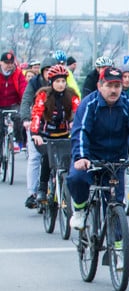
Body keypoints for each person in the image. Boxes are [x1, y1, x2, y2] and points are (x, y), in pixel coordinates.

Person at [67, 67, 129, 229]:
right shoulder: (89, 104)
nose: (113, 90)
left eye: (117, 86)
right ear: (100, 86)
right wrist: (81, 156)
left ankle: (118, 247)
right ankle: (79, 209)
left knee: (115, 205)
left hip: (115, 159)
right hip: (90, 157)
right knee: (76, 178)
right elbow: (80, 131)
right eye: (109, 85)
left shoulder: (128, 104)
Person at [30, 64, 80, 204]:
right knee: (47, 158)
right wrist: (35, 133)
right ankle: (42, 188)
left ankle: (69, 189)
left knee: (70, 160)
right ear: (51, 82)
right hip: (45, 135)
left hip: (64, 134)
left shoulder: (72, 95)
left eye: (63, 81)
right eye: (57, 81)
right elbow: (36, 114)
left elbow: (79, 113)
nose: (60, 84)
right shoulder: (43, 95)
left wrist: (75, 124)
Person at [21, 57, 56, 209]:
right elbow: (26, 100)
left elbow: (73, 105)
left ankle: (62, 191)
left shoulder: (63, 85)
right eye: (47, 70)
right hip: (37, 123)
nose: (50, 73)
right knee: (35, 157)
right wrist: (26, 118)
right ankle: (33, 193)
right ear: (42, 71)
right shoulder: (34, 83)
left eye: (52, 70)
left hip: (57, 126)